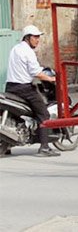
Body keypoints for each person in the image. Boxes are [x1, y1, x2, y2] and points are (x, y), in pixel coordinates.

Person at [5, 25, 59, 157]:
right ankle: (45, 147)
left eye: (38, 37)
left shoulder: (15, 49)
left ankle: (7, 146)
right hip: (24, 88)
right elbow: (36, 73)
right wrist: (51, 79)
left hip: (10, 86)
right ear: (27, 38)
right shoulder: (28, 52)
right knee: (43, 114)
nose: (37, 40)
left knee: (16, 115)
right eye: (35, 37)